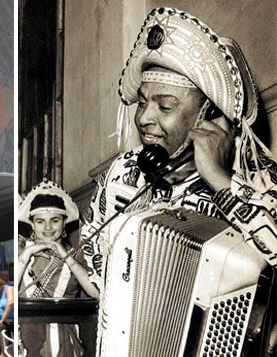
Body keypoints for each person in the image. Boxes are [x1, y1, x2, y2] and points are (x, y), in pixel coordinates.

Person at [80, 7, 277, 291]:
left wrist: (220, 181)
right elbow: (92, 254)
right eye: (142, 103)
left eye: (165, 106)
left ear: (209, 115)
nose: (144, 118)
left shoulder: (256, 175)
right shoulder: (122, 173)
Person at [16, 181, 96, 357]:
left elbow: (96, 293)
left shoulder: (76, 255)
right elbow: (8, 294)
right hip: (24, 340)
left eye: (55, 220)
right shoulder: (20, 253)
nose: (47, 228)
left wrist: (65, 256)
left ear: (64, 223)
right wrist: (27, 253)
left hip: (64, 343)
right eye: (40, 221)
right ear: (32, 224)